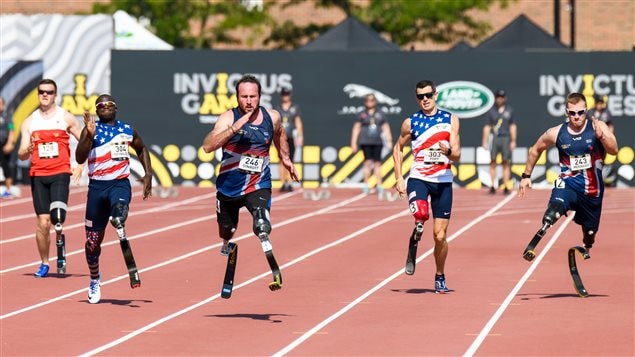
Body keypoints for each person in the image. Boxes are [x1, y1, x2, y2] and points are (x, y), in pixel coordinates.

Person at [202, 74, 298, 290]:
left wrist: (286, 158)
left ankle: (264, 237)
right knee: (226, 230)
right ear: (237, 97)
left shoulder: (271, 117)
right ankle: (227, 242)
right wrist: (234, 128)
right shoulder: (228, 117)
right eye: (244, 96)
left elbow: (280, 133)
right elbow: (207, 146)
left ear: (260, 97)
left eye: (252, 97)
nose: (248, 101)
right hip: (229, 187)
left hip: (258, 183)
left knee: (262, 223)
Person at [518, 92, 618, 258]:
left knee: (590, 232)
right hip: (566, 182)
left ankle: (588, 241)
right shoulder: (556, 132)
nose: (577, 117)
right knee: (554, 206)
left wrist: (603, 137)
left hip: (592, 191)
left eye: (580, 112)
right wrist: (526, 175)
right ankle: (548, 221)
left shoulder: (597, 127)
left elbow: (614, 150)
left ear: (586, 111)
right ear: (566, 112)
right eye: (572, 113)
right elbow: (536, 149)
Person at [75, 94, 152, 304]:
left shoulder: (127, 129)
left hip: (119, 183)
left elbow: (142, 148)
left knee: (119, 209)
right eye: (101, 105)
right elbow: (79, 157)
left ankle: (118, 218)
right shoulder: (92, 129)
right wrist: (88, 136)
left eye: (109, 104)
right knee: (92, 243)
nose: (105, 107)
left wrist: (148, 174)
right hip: (97, 188)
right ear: (97, 110)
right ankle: (94, 279)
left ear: (116, 108)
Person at [392, 80, 461, 294]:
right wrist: (399, 177)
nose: (425, 100)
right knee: (421, 214)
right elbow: (398, 148)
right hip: (419, 179)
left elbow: (457, 155)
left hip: (443, 182)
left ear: (436, 95)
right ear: (416, 98)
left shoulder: (451, 120)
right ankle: (417, 228)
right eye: (421, 96)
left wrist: (448, 152)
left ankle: (439, 275)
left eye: (428, 95)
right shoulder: (410, 122)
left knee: (440, 236)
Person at [17, 79, 83, 278]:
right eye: (42, 92)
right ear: (38, 94)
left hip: (60, 172)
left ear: (55, 94)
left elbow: (85, 143)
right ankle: (45, 262)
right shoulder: (30, 121)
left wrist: (80, 164)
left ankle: (60, 240)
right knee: (43, 223)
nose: (45, 95)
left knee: (58, 218)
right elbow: (21, 152)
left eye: (49, 92)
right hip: (38, 175)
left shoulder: (66, 118)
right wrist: (25, 151)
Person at [351, 94, 392, 195]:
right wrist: (353, 142)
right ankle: (366, 185)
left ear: (375, 101)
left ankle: (379, 185)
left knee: (378, 163)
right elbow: (356, 128)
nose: (370, 102)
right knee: (367, 163)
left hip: (377, 141)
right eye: (368, 101)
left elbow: (385, 128)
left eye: (372, 100)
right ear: (365, 102)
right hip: (365, 141)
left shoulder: (380, 113)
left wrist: (389, 140)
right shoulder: (362, 114)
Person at [482, 90, 517, 195]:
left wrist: (513, 140)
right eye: (498, 97)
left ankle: (506, 186)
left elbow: (513, 126)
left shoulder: (509, 111)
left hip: (505, 137)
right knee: (492, 161)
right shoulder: (492, 111)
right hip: (495, 138)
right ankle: (493, 185)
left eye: (501, 97)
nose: (499, 99)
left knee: (505, 162)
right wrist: (484, 140)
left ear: (504, 98)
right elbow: (487, 126)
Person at [274, 88, 303, 192]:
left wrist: (300, 136)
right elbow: (275, 123)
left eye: (287, 94)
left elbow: (298, 122)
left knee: (290, 160)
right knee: (281, 160)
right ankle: (283, 183)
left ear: (290, 95)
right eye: (283, 94)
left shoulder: (294, 108)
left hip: (290, 137)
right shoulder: (277, 108)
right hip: (280, 137)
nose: (285, 96)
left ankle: (290, 183)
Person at [0, 97, 17, 198]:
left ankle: (8, 190)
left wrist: (10, 143)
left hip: (4, 143)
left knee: (6, 166)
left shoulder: (7, 116)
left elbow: (11, 130)